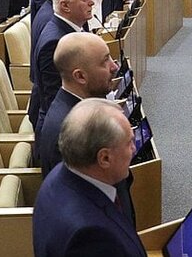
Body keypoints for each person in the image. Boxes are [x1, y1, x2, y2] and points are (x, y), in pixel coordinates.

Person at [32, 98, 146, 257]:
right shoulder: (90, 237)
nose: (134, 149)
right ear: (104, 158)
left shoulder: (58, 176)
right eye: (129, 143)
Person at [37, 32, 118, 174]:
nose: (114, 67)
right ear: (80, 76)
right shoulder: (73, 134)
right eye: (105, 61)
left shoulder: (77, 107)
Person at [28, 0, 94, 132]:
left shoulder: (68, 30)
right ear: (65, 6)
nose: (91, 2)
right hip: (65, 132)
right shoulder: (55, 42)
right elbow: (57, 101)